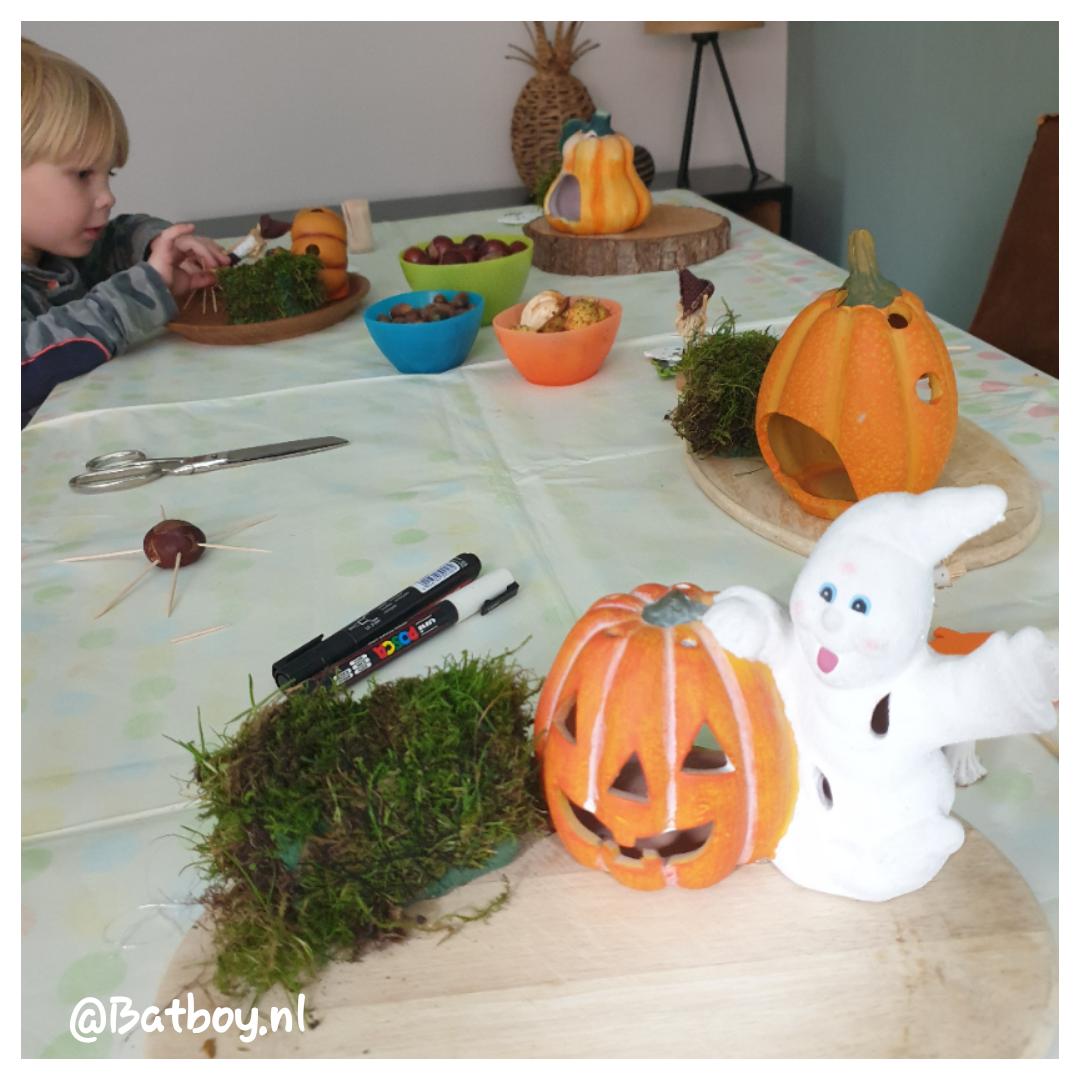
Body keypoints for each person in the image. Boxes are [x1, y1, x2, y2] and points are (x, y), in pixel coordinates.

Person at [21, 37, 230, 425]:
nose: (107, 197)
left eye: (108, 175)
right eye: (83, 174)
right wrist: (137, 295)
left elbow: (112, 240)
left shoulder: (54, 255)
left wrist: (156, 248)